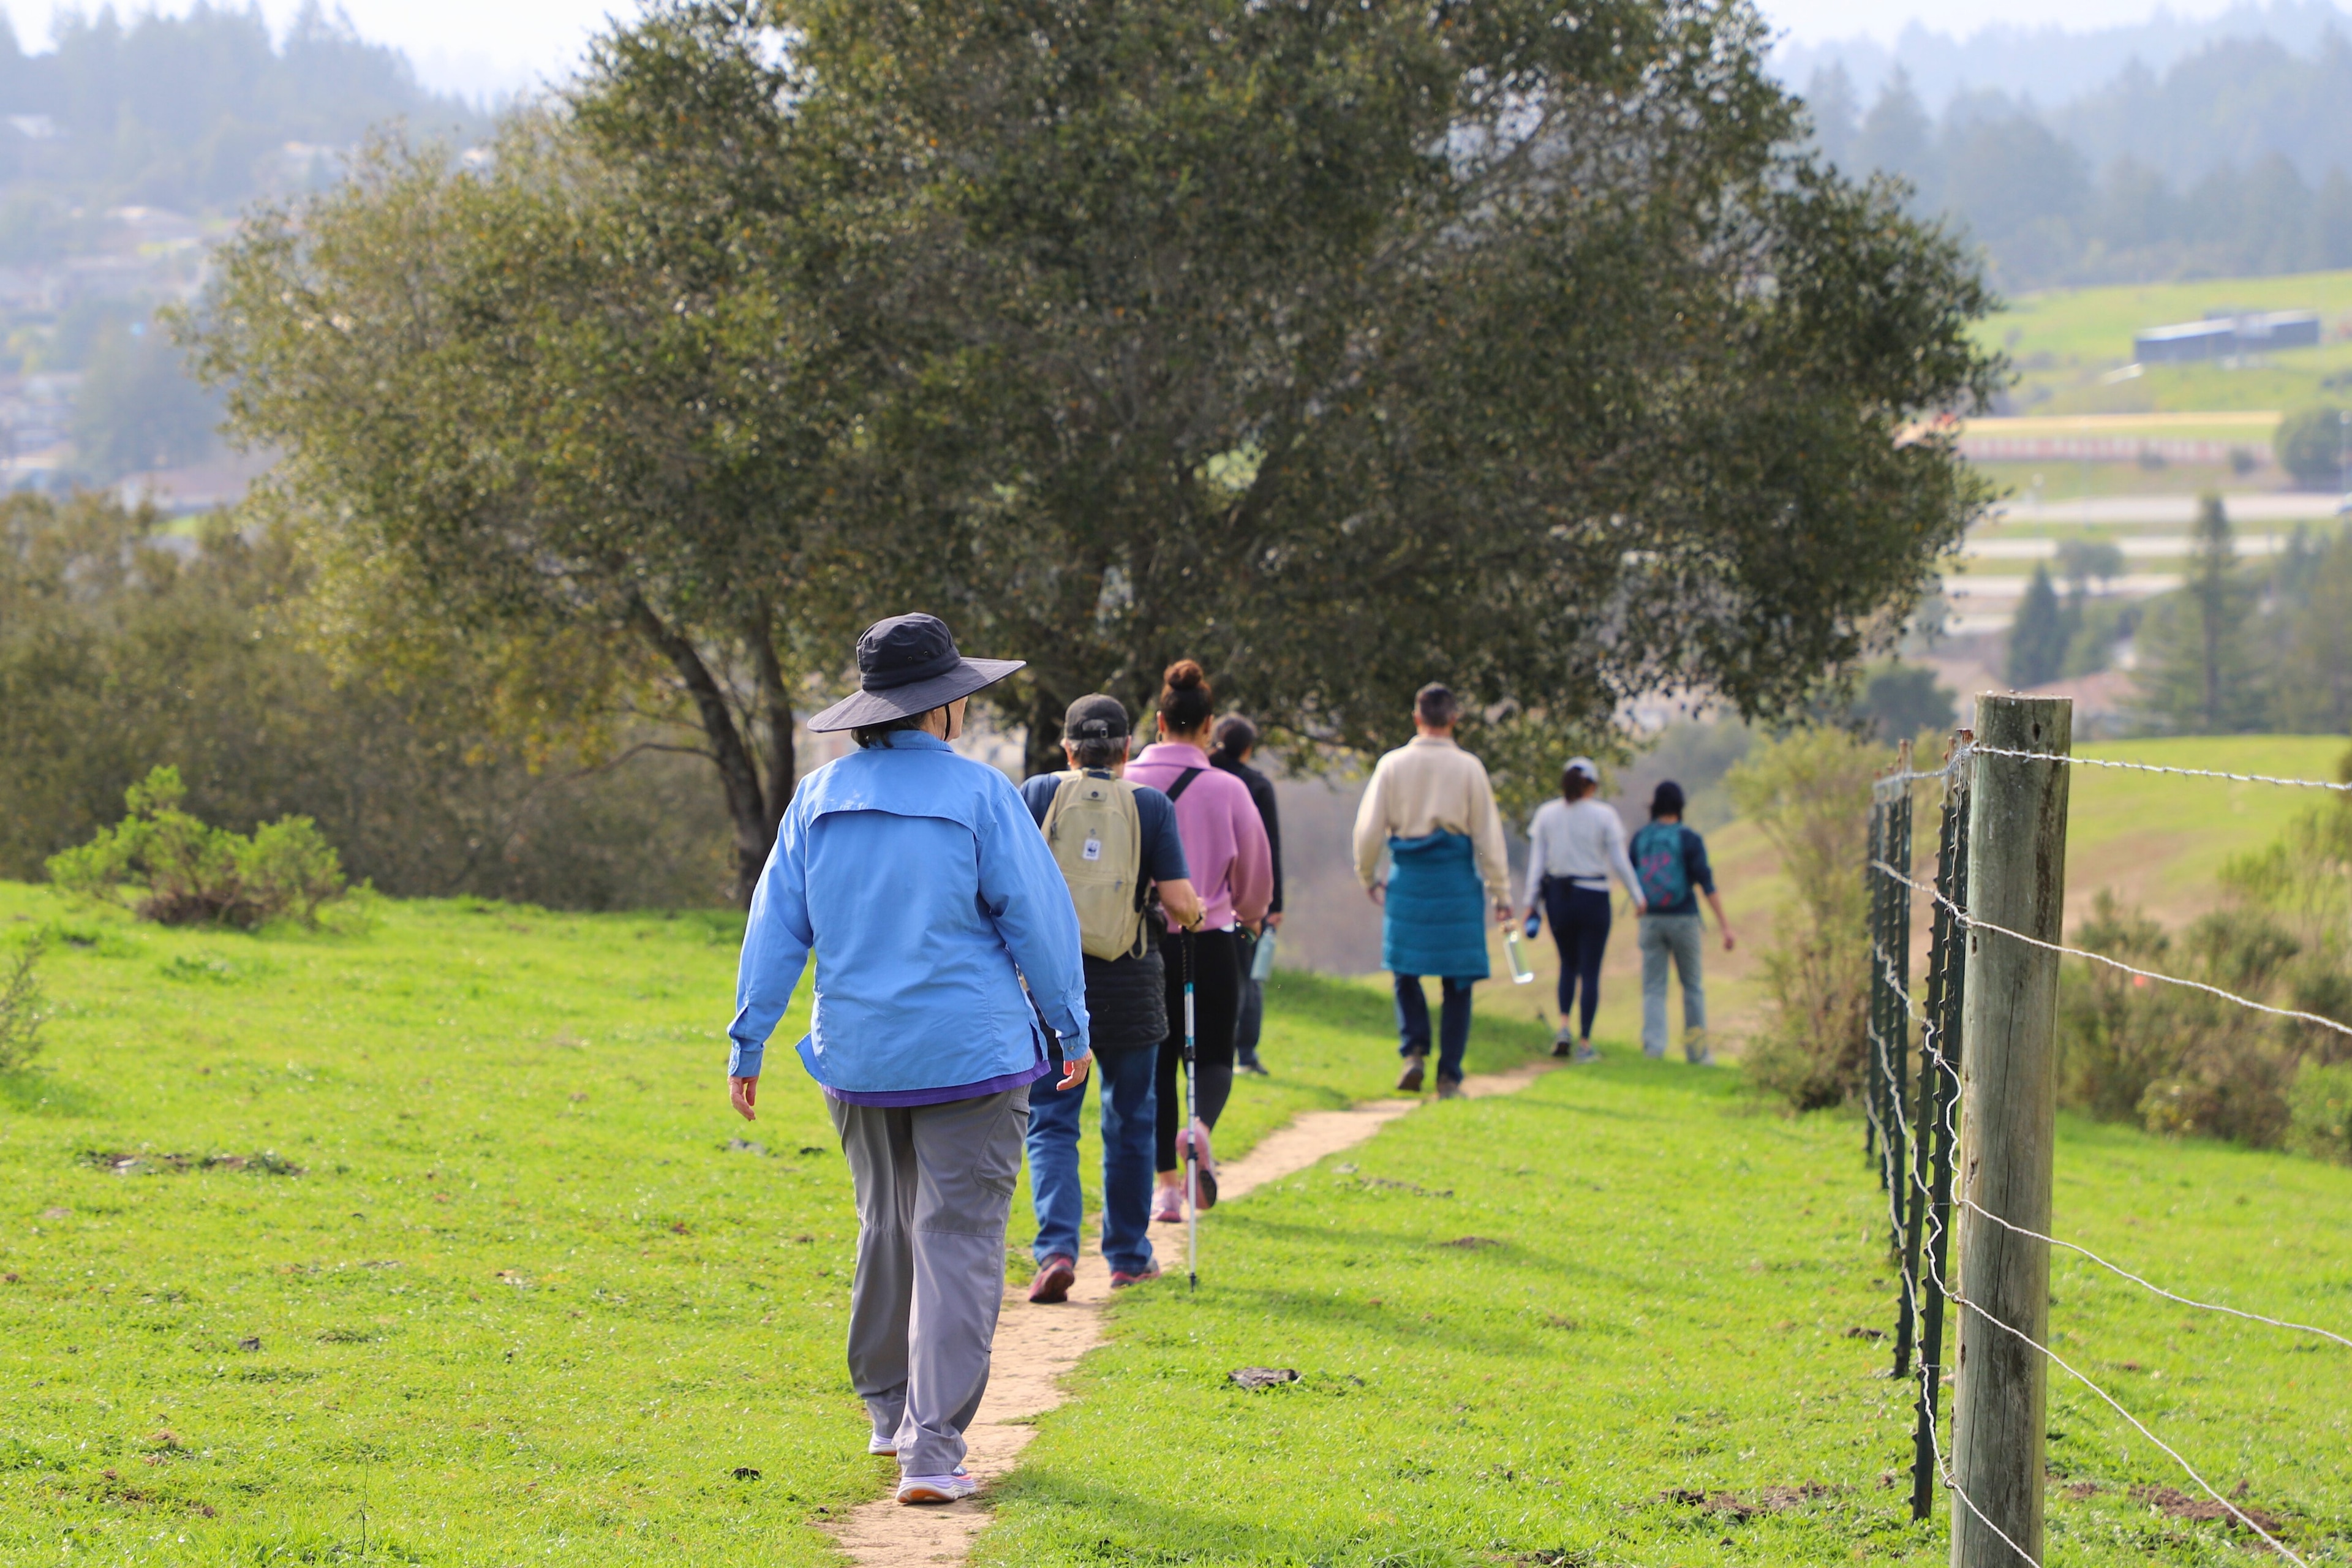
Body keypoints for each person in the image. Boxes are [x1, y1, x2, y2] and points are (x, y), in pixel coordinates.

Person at [726, 612, 1090, 1507]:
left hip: (858, 1059)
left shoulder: (816, 800)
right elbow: (1037, 921)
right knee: (958, 1241)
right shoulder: (982, 795)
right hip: (971, 1056)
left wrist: (749, 1038)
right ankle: (934, 1451)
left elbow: (775, 927)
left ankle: (888, 1413)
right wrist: (1071, 1029)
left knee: (886, 1229)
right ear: (945, 710)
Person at [1017, 695, 1204, 1300]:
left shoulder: (1038, 795)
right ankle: (1127, 1255)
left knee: (1051, 1120)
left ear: (1067, 748)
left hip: (1052, 988)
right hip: (1130, 985)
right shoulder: (1148, 805)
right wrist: (1198, 914)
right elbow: (1179, 903)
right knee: (1130, 1122)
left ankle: (1055, 1250)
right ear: (1128, 750)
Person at [1126, 661, 1273, 1223]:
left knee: (1158, 1063)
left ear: (1159, 721)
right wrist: (1250, 914)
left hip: (1143, 943)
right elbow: (1256, 880)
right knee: (1213, 1055)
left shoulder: (1130, 783)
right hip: (1210, 940)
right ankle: (1200, 1128)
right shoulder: (1229, 788)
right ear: (1208, 725)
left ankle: (1166, 1189)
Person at [1351, 683, 1512, 1098]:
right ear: (1454, 720)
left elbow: (1368, 831)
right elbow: (1489, 838)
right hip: (1456, 881)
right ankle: (1450, 1075)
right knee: (1458, 981)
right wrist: (1501, 895)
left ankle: (1414, 1050)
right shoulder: (1470, 768)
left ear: (1417, 718)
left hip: (1409, 878)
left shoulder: (1392, 765)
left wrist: (1368, 875)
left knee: (1406, 969)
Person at [1521, 757, 1646, 1063]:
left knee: (1567, 963)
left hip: (1558, 898)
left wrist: (1531, 904)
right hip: (1593, 897)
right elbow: (1619, 861)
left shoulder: (1547, 815)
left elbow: (1537, 864)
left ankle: (1563, 1027)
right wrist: (1638, 896)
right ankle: (1586, 1042)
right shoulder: (1604, 815)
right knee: (1590, 971)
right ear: (1591, 785)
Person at [1630, 779, 1736, 1065]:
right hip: (1683, 918)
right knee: (1692, 986)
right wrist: (1725, 925)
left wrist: (1638, 904)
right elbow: (1706, 883)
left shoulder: (1641, 838)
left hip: (1650, 919)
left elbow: (1631, 876)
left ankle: (1653, 1048)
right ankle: (1698, 1053)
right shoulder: (1689, 839)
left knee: (1653, 986)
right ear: (1680, 807)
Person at [1210, 714, 1283, 1076]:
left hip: (1203, 896)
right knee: (1248, 975)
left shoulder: (1203, 778)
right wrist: (1275, 905)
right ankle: (1247, 1054)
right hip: (1245, 902)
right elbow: (1271, 850)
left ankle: (1206, 1047)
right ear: (1249, 749)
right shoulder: (1256, 786)